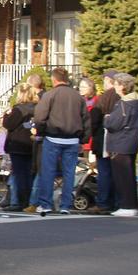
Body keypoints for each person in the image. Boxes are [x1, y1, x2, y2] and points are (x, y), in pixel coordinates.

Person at [32, 67, 90, 215]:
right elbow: (86, 120)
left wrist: (41, 131)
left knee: (48, 172)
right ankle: (65, 205)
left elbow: (39, 117)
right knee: (69, 173)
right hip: (72, 139)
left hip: (52, 137)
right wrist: (83, 140)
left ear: (54, 79)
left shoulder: (50, 95)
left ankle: (46, 204)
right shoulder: (78, 97)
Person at [104, 73, 138, 217]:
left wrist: (107, 119)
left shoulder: (124, 104)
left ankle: (127, 205)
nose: (114, 86)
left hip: (120, 143)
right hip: (130, 141)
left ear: (122, 86)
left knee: (122, 176)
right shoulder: (135, 102)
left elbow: (113, 123)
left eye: (116, 84)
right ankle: (131, 204)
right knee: (129, 175)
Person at [88, 70, 122, 214]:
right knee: (116, 172)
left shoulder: (104, 98)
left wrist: (90, 133)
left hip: (104, 138)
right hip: (120, 139)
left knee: (104, 172)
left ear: (109, 81)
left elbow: (94, 120)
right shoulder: (122, 97)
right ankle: (116, 201)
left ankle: (103, 202)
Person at [3, 83, 38, 211]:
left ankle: (19, 202)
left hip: (18, 144)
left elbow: (8, 124)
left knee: (19, 175)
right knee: (29, 173)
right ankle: (29, 201)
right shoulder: (37, 108)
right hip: (32, 144)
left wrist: (7, 114)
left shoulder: (18, 109)